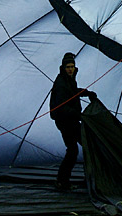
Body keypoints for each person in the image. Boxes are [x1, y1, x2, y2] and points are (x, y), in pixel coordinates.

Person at [50, 52, 96, 190]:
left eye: (72, 66)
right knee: (73, 150)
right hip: (65, 122)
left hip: (72, 120)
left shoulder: (69, 79)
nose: (70, 69)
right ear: (63, 68)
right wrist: (79, 115)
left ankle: (67, 179)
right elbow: (62, 105)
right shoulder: (60, 84)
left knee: (82, 147)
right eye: (68, 67)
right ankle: (62, 181)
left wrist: (86, 92)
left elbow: (72, 92)